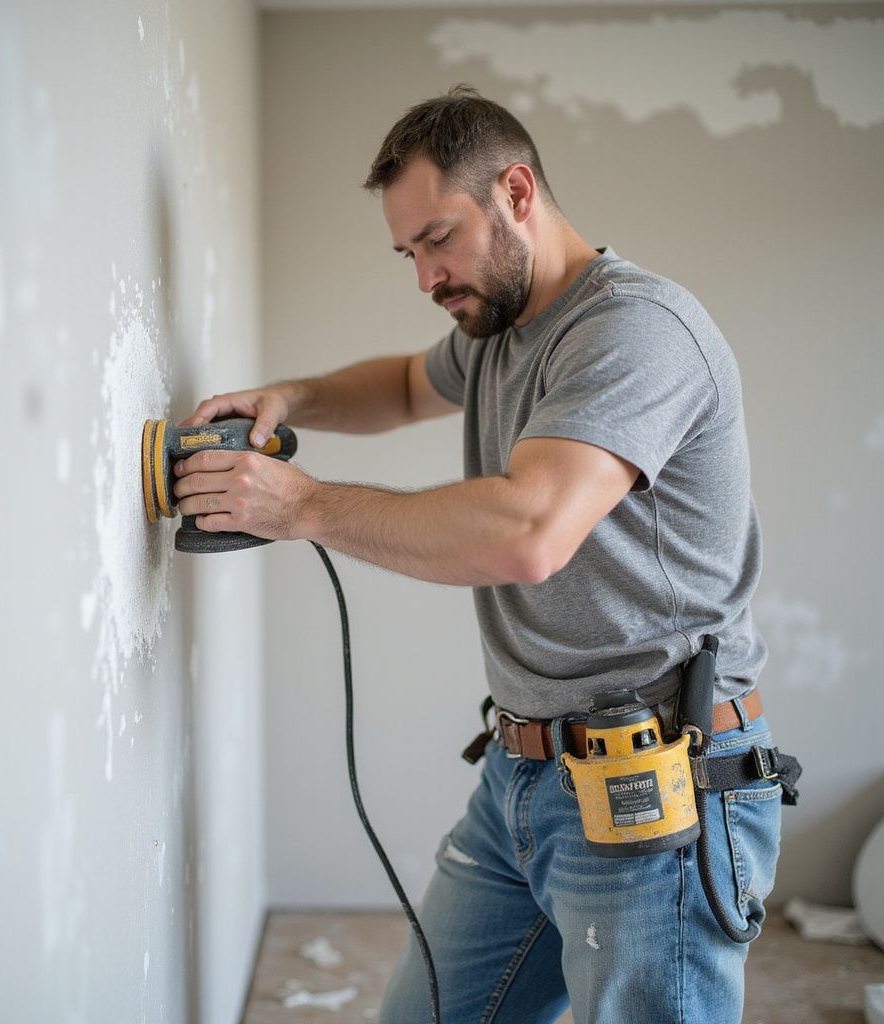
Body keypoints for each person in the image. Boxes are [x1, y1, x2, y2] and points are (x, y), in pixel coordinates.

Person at [172, 86, 784, 1024]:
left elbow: (528, 533)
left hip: (654, 786)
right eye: (408, 252)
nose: (426, 277)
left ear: (517, 190)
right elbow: (406, 386)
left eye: (439, 238)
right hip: (524, 778)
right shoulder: (499, 327)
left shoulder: (633, 331)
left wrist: (303, 507)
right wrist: (289, 397)